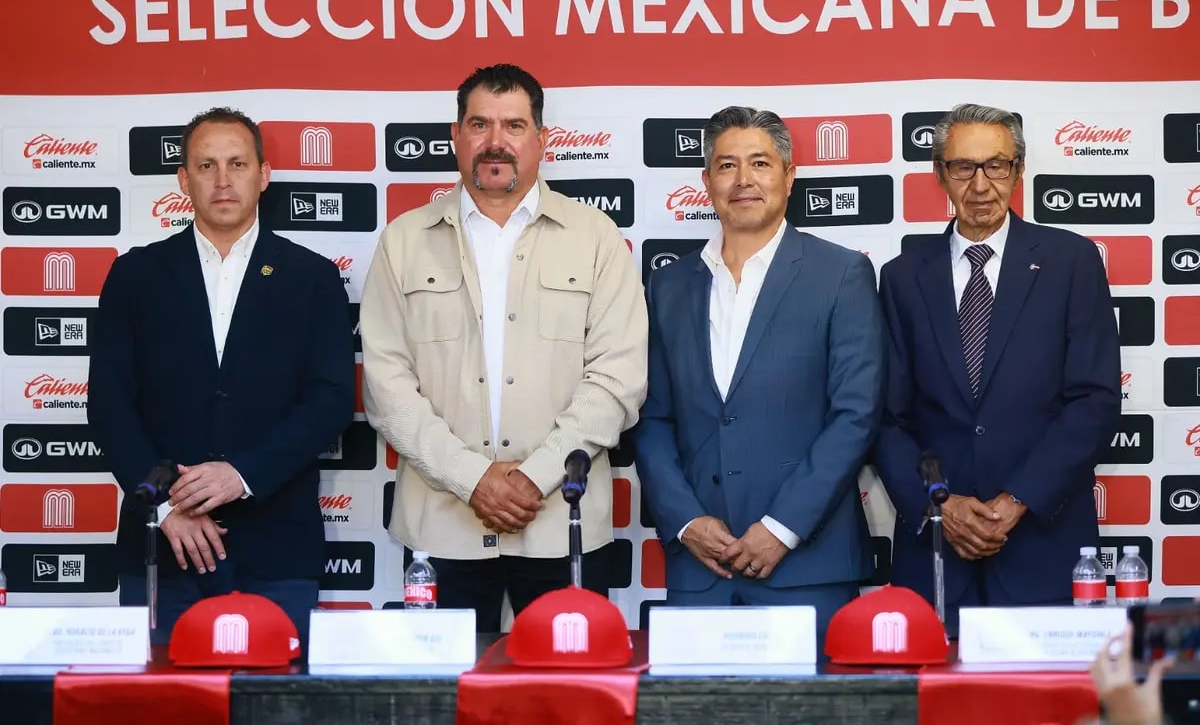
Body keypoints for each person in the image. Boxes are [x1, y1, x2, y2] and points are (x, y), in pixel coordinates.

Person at [360, 64, 647, 632]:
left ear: (542, 140)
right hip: (442, 524)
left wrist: (532, 476)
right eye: (479, 124)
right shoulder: (402, 241)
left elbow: (618, 379)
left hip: (561, 519)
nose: (496, 142)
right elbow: (387, 385)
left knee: (569, 703)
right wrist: (473, 478)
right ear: (455, 136)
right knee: (445, 704)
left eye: (514, 125)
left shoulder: (597, 238)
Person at [88, 107, 356, 647]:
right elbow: (109, 404)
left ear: (264, 174)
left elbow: (330, 400)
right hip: (164, 549)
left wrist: (242, 473)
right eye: (206, 165)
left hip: (278, 549)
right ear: (184, 180)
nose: (223, 179)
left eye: (237, 163)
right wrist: (163, 507)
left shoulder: (314, 278)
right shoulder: (135, 274)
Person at [628, 105, 886, 640]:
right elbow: (651, 420)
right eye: (726, 166)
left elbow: (855, 416)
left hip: (807, 566)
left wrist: (781, 528)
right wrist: (686, 522)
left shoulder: (841, 274)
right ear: (706, 181)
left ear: (789, 177)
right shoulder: (668, 287)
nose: (743, 180)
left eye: (760, 164)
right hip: (701, 568)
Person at [873, 103, 1121, 635]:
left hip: (1043, 547)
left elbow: (1095, 401)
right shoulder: (900, 277)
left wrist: (1016, 500)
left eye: (997, 165)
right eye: (964, 167)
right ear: (939, 173)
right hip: (938, 556)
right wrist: (939, 505)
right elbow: (889, 419)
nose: (981, 184)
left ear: (1019, 170)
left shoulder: (1071, 262)